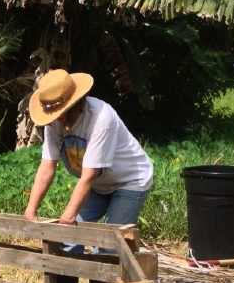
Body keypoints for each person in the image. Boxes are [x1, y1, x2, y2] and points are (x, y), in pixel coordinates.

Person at [24, 69, 153, 249]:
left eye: (61, 112)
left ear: (74, 103)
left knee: (110, 245)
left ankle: (109, 276)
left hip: (130, 180)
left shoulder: (100, 118)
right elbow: (47, 168)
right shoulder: (53, 120)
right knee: (68, 241)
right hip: (99, 185)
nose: (57, 118)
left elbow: (88, 176)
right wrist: (30, 211)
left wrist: (68, 217)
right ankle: (67, 277)